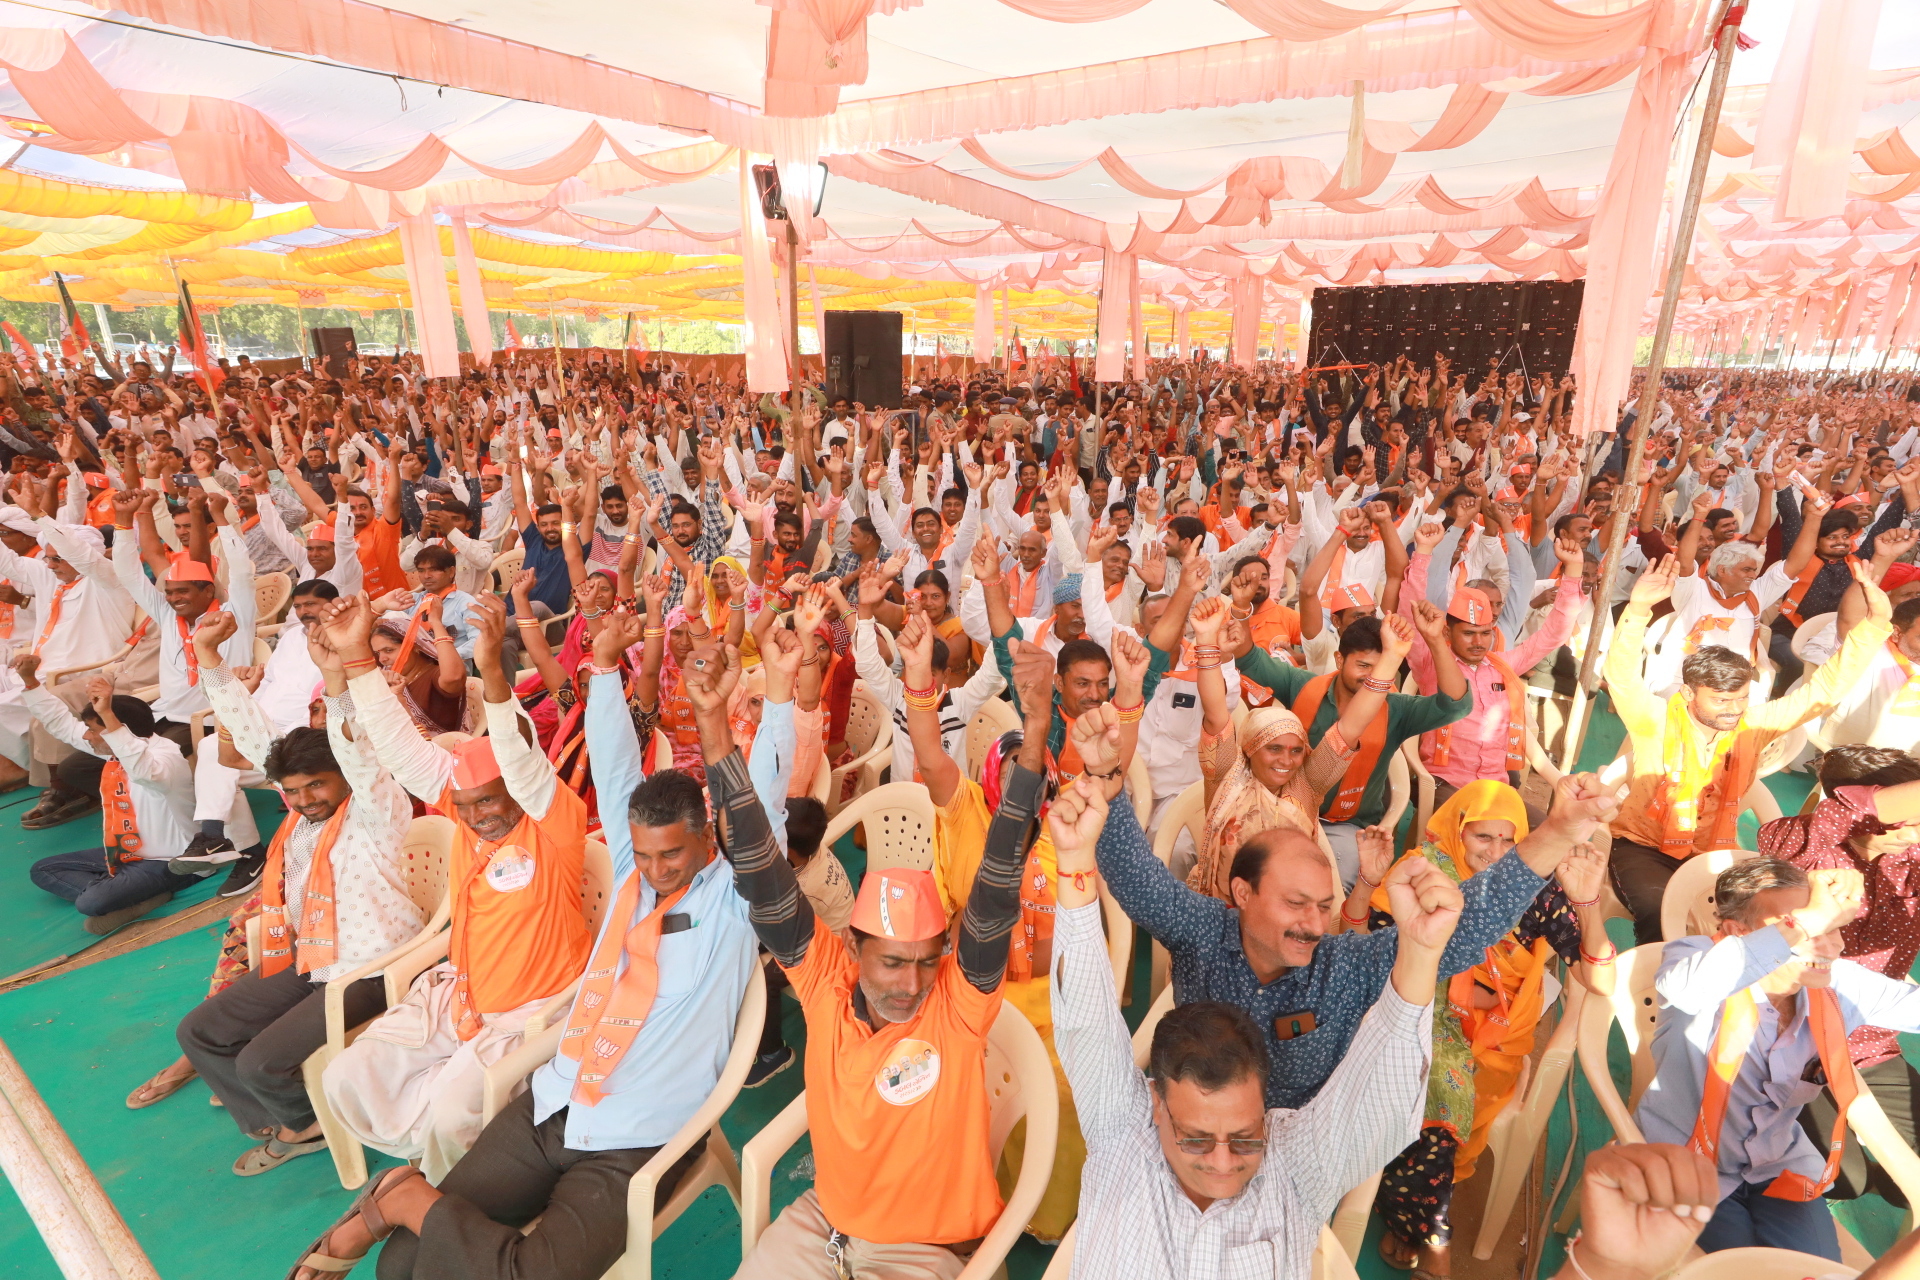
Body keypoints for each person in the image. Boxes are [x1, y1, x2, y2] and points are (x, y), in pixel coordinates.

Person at [287, 618, 759, 1280]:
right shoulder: (627, 873)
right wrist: (355, 668)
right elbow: (614, 765)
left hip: (631, 1133)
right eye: (647, 856)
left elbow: (751, 817)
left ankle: (402, 1196)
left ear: (708, 841)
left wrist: (500, 680)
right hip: (553, 1097)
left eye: (674, 855)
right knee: (404, 1264)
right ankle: (405, 1202)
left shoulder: (726, 899)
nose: (657, 871)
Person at [710, 622, 1044, 1278]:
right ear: (854, 951)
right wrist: (715, 732)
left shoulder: (955, 1005)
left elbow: (996, 889)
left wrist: (1034, 736)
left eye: (926, 958)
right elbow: (761, 872)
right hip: (820, 1222)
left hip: (923, 1249)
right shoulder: (823, 978)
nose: (911, 982)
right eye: (891, 960)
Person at [1046, 759, 1462, 1279]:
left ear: (1269, 1117)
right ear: (1155, 1103)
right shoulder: (1121, 1131)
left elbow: (1381, 1102)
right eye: (1196, 1138)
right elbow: (1086, 1022)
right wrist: (1074, 862)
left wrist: (1421, 952)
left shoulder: (1294, 1165)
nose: (1223, 1164)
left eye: (1245, 1139)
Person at [1094, 729, 1620, 1109]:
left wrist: (1555, 833)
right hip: (1189, 1123)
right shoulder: (1202, 929)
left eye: (1324, 907)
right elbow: (1137, 877)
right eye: (1296, 904)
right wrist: (1105, 775)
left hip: (1294, 1146)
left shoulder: (1342, 968)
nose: (1315, 926)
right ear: (1242, 892)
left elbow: (1456, 936)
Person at [318, 591, 592, 1183]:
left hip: (533, 1014)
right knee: (346, 1075)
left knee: (449, 1115)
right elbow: (400, 748)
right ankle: (429, 1165)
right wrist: (356, 657)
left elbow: (519, 761)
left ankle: (443, 1194)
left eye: (489, 802)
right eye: (465, 806)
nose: (477, 816)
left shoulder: (552, 822)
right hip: (459, 996)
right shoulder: (461, 806)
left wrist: (492, 671)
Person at [173, 614, 422, 1175]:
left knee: (261, 1062)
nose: (305, 798)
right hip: (315, 957)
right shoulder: (303, 821)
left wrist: (335, 678)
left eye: (317, 785)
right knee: (200, 1031)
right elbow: (261, 741)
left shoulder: (375, 811)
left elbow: (355, 749)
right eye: (293, 790)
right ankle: (278, 1118)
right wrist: (209, 658)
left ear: (347, 778)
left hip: (373, 968)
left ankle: (306, 1123)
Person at [1356, 782, 1617, 1277]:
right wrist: (1462, 994)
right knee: (1419, 1081)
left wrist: (1588, 905)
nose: (1496, 853)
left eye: (1508, 839)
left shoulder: (1538, 887)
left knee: (1434, 1102)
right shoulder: (1424, 869)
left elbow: (1598, 979)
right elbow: (1375, 947)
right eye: (1483, 837)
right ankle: (1431, 1232)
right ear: (1459, 830)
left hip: (1492, 1035)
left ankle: (1414, 1220)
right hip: (1415, 1007)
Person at [1604, 555, 1896, 946]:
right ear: (1689, 693)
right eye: (1721, 701)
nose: (1734, 710)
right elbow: (1620, 675)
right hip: (1642, 848)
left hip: (1713, 852)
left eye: (1740, 698)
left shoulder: (1753, 726)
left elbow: (1822, 692)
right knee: (1661, 918)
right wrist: (1638, 609)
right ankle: (1663, 995)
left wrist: (1875, 624)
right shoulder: (1654, 719)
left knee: (1770, 921)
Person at [1637, 858, 1920, 1258]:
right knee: (1752, 1270)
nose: (1831, 945)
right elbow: (1686, 988)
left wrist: (1808, 925)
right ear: (1738, 932)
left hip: (1779, 1165)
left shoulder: (1835, 981)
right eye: (1804, 926)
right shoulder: (1701, 957)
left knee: (1813, 1268)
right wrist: (1808, 920)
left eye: (1835, 927)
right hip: (1683, 1162)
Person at [1763, 748, 1920, 1208]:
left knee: (1903, 1186)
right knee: (1843, 1181)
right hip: (1796, 1044)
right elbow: (1828, 820)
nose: (1914, 830)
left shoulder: (1910, 860)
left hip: (1871, 1044)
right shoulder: (1802, 844)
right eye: (1904, 815)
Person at [1185, 598, 1416, 898]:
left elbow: (1352, 726)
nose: (1286, 760)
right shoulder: (1227, 776)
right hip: (1221, 911)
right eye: (1274, 748)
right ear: (1251, 748)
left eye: (1296, 751)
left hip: (1287, 910)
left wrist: (1392, 659)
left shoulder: (1306, 785)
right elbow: (1216, 713)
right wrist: (1205, 641)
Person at [21, 662, 199, 933]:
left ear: (118, 729)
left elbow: (142, 771)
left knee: (90, 902)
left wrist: (106, 711)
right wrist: (30, 681)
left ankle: (124, 895)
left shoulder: (165, 759)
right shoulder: (117, 751)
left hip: (170, 861)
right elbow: (62, 726)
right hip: (126, 852)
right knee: (44, 869)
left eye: (93, 729)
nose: (87, 736)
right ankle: (133, 897)